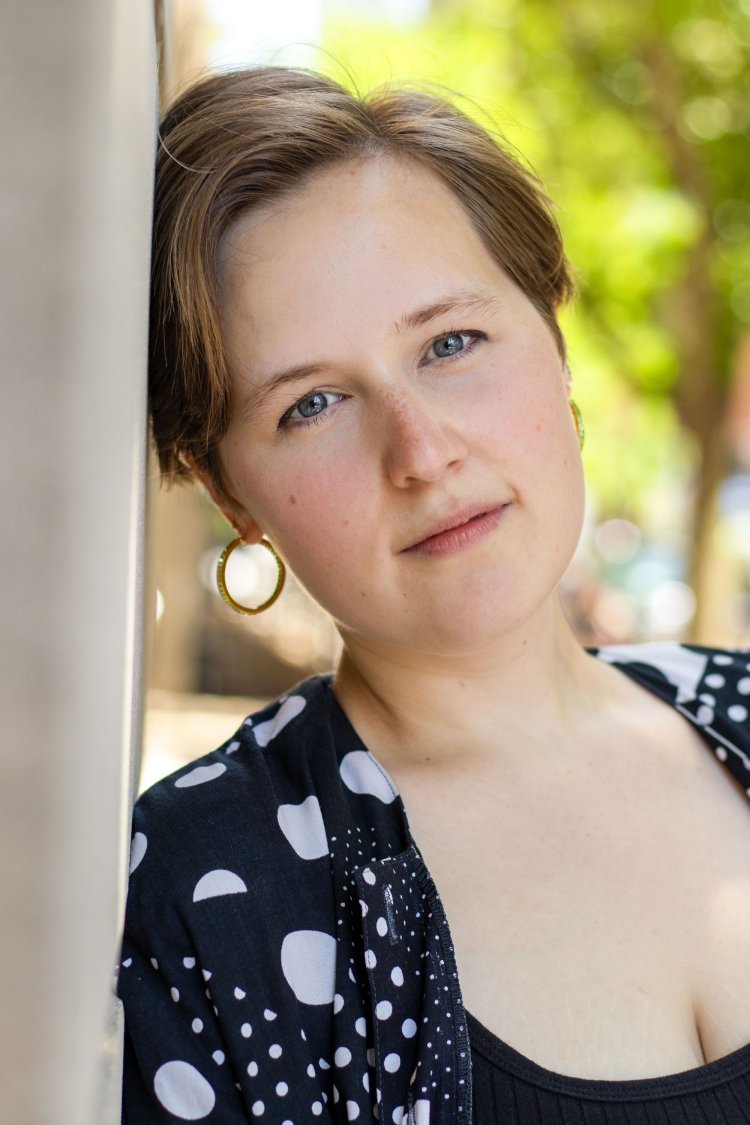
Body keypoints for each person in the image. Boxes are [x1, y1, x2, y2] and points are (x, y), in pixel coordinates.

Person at [118, 66, 750, 1124]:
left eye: (450, 344)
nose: (421, 452)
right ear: (232, 494)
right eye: (312, 404)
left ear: (555, 345)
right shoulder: (197, 896)